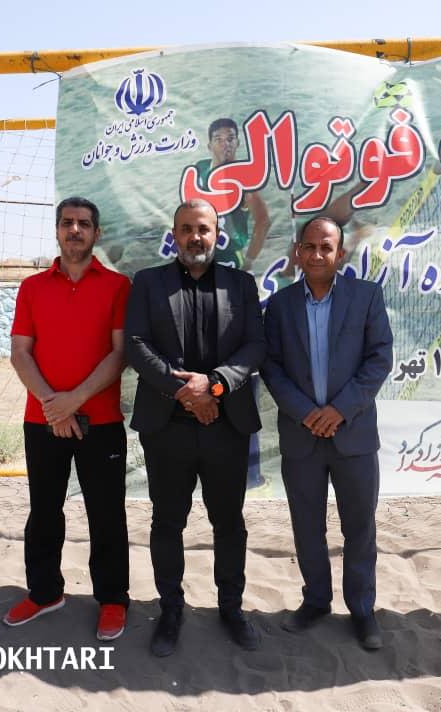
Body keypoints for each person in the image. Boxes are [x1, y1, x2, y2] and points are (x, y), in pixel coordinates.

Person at [125, 198, 267, 657]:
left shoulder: (241, 285)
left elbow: (255, 345)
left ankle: (231, 609)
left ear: (216, 233)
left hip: (227, 426)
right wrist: (183, 390)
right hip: (167, 427)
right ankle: (170, 610)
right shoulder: (148, 282)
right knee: (168, 522)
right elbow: (136, 344)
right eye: (186, 228)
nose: (195, 237)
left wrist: (216, 386)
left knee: (229, 523)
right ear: (174, 234)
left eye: (203, 228)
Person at [261, 216, 393, 650]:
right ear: (298, 252)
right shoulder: (279, 306)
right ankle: (316, 601)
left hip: (353, 435)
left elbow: (379, 358)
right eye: (310, 247)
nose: (317, 255)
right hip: (302, 437)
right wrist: (306, 413)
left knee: (360, 528)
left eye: (326, 247)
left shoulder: (366, 296)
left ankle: (362, 609)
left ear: (340, 254)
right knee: (307, 527)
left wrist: (339, 410)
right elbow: (271, 367)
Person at [4, 197, 132, 642]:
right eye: (67, 223)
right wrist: (51, 404)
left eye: (83, 224)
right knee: (43, 511)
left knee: (106, 513)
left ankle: (112, 599)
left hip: (101, 421)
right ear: (57, 230)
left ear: (97, 233)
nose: (74, 230)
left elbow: (120, 353)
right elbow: (20, 352)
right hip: (42, 419)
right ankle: (44, 593)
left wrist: (73, 401)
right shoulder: (32, 287)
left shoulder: (117, 286)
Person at [195, 118, 271, 271]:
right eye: (219, 139)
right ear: (209, 146)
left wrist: (249, 260)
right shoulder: (200, 168)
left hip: (229, 258)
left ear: (238, 143)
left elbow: (263, 221)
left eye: (230, 139)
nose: (226, 144)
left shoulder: (245, 181)